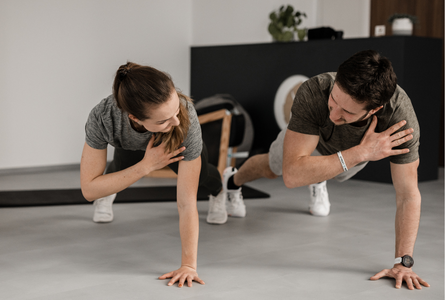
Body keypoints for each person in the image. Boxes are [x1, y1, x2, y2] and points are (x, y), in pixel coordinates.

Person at [223, 50, 430, 290]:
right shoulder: (314, 90)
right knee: (272, 168)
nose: (334, 114)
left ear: (374, 110)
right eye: (334, 100)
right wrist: (362, 152)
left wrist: (403, 263)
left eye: (348, 112)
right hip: (310, 144)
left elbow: (407, 194)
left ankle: (318, 173)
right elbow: (291, 176)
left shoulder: (400, 119)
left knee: (336, 173)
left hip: (349, 156)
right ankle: (232, 181)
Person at [80, 62, 244, 287]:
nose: (175, 121)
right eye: (163, 120)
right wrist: (146, 165)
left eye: (175, 110)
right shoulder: (102, 117)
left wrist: (188, 265)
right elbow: (89, 190)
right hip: (130, 147)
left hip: (175, 144)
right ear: (135, 118)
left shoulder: (184, 119)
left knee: (204, 177)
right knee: (121, 164)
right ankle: (109, 192)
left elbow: (186, 204)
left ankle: (219, 190)